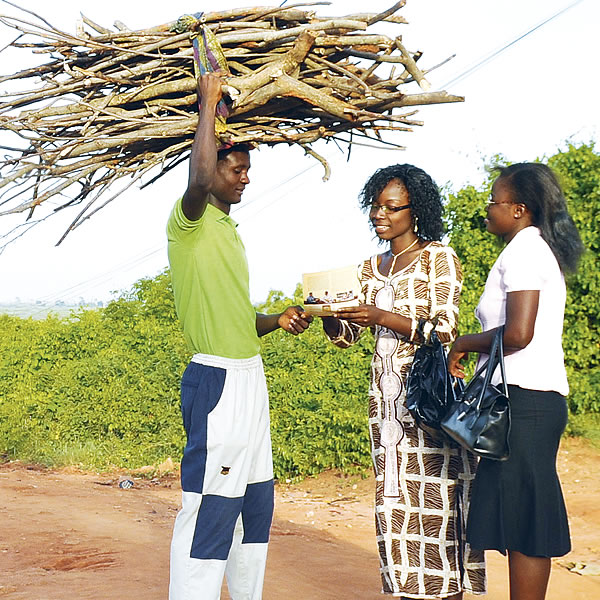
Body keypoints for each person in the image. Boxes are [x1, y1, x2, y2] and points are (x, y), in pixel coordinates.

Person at [166, 72, 312, 600]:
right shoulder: (189, 223)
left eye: (248, 170)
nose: (246, 178)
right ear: (214, 172)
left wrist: (277, 320)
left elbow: (239, 318)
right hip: (217, 381)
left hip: (250, 378)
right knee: (210, 504)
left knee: (253, 505)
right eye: (237, 169)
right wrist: (208, 104)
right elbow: (198, 178)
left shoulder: (228, 231)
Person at [322, 164, 486, 598]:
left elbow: (445, 331)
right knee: (393, 508)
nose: (380, 214)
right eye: (376, 206)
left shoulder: (438, 257)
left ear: (416, 211)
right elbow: (347, 338)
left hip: (428, 404)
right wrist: (329, 315)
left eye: (392, 207)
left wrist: (382, 316)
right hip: (385, 407)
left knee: (438, 508)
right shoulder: (368, 268)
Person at [448, 162, 584, 600]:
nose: (488, 209)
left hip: (526, 403)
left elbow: (519, 333)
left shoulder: (525, 252)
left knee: (526, 523)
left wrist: (463, 343)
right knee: (520, 518)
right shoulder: (530, 249)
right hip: (525, 401)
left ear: (519, 209)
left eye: (494, 201)